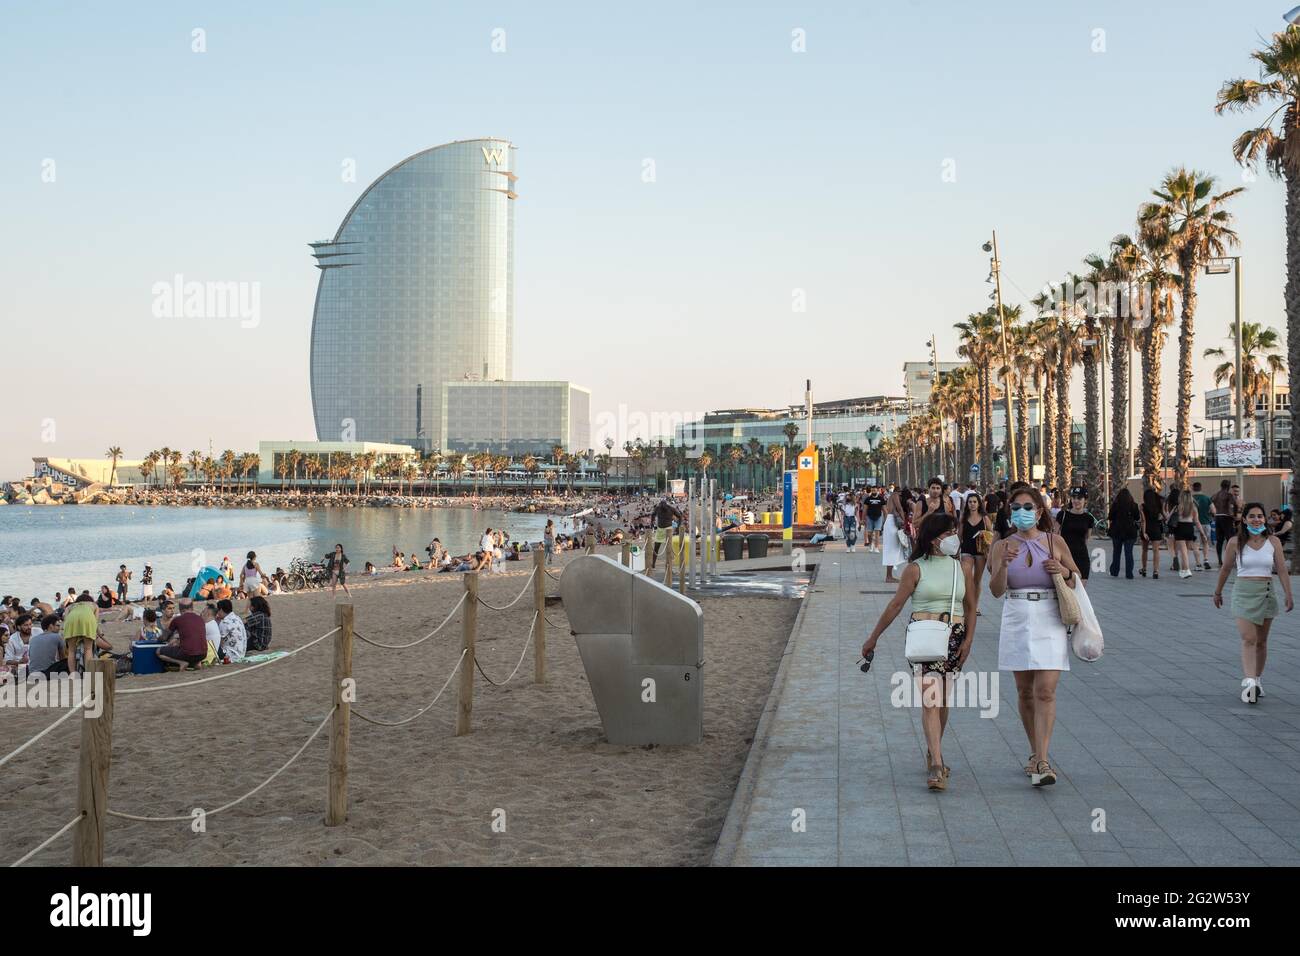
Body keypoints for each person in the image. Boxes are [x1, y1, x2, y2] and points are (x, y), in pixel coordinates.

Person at [861, 512, 976, 791]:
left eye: (955, 532)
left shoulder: (962, 566)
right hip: (924, 635)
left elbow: (971, 606)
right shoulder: (915, 568)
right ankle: (937, 764)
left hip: (954, 636)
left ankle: (932, 749)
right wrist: (873, 638)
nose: (954, 538)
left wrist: (969, 641)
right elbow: (896, 606)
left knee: (943, 701)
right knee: (931, 700)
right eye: (949, 532)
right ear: (934, 538)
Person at [988, 485, 1081, 787]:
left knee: (1046, 690)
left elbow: (1077, 577)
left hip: (1049, 616)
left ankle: (1043, 759)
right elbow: (996, 590)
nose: (1021, 512)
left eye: (1028, 507)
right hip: (1016, 615)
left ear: (1040, 511)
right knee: (1025, 691)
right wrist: (1002, 564)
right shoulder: (1001, 545)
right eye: (1016, 507)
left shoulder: (1054, 541)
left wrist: (1064, 572)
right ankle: (1033, 752)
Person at [1213, 502, 1294, 703]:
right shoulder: (1235, 542)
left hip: (1266, 592)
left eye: (1259, 516)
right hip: (1243, 592)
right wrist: (1218, 592)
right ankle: (1249, 682)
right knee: (1249, 638)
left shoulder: (1273, 541)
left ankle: (1257, 679)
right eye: (1252, 516)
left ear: (1265, 519)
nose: (1256, 519)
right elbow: (1225, 569)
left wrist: (1288, 594)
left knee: (1261, 641)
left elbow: (1282, 570)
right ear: (1244, 519)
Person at [958, 492, 993, 605]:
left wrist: (985, 533)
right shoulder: (964, 518)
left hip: (980, 551)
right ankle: (966, 602)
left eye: (974, 502)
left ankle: (975, 605)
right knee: (966, 578)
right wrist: (955, 551)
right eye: (970, 502)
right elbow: (959, 536)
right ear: (967, 504)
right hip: (966, 550)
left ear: (979, 504)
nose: (972, 504)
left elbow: (991, 534)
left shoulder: (984, 518)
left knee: (977, 580)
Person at [1057, 487, 1096, 587]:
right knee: (1066, 591)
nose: (1076, 501)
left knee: (1080, 591)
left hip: (1081, 557)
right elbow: (1055, 535)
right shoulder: (1062, 515)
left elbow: (1087, 538)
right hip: (1064, 557)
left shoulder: (1089, 518)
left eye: (1079, 498)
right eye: (1073, 498)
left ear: (1085, 500)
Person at [157, 598, 207, 670]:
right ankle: (196, 663)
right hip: (203, 654)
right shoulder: (200, 619)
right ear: (192, 607)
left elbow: (164, 637)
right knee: (191, 648)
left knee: (158, 651)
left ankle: (181, 662)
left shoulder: (177, 620)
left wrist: (158, 640)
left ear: (180, 609)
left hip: (187, 653)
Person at [1107, 487, 1141, 579]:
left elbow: (1110, 517)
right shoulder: (1134, 505)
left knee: (1116, 552)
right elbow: (1137, 518)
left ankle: (1114, 571)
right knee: (1129, 553)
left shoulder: (1115, 505)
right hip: (1130, 532)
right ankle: (1129, 573)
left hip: (1117, 531)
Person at [62, 594, 101, 674]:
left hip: (71, 620)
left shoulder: (70, 606)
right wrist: (99, 633)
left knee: (71, 650)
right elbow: (95, 621)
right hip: (88, 619)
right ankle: (88, 673)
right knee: (88, 649)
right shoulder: (94, 605)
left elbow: (66, 619)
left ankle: (73, 674)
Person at [881, 487, 908, 583]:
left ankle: (889, 575)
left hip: (891, 521)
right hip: (892, 521)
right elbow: (899, 508)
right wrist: (904, 522)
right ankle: (889, 576)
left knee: (892, 549)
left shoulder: (892, 496)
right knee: (891, 549)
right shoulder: (895, 495)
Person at [1172, 490, 1200, 579]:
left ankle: (1187, 569)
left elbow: (1169, 517)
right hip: (1190, 527)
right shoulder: (1193, 507)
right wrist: (1202, 533)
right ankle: (1183, 569)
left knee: (1183, 551)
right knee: (1186, 550)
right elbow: (1196, 521)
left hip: (1180, 528)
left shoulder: (1178, 507)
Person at [1139, 486, 1165, 579]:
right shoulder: (1158, 506)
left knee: (1144, 550)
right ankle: (1156, 571)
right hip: (1156, 529)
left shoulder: (1142, 506)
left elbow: (1143, 521)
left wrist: (1144, 532)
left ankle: (1144, 569)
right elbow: (1164, 517)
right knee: (1156, 550)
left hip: (1146, 529)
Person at [1211, 479, 1238, 566]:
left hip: (1218, 517)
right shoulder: (1229, 495)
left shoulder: (1215, 495)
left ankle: (1219, 560)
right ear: (1229, 486)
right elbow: (1234, 505)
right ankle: (1229, 559)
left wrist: (1214, 515)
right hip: (1226, 518)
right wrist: (1234, 515)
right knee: (1230, 539)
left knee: (1219, 540)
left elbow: (1211, 505)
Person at [1192, 482, 1214, 571]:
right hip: (1206, 524)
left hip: (1194, 525)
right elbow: (1213, 510)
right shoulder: (1207, 498)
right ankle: (1206, 560)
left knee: (1196, 545)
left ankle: (1198, 564)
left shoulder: (1191, 499)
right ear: (1201, 488)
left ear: (1193, 488)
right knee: (1205, 543)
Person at [864, 486, 885, 552]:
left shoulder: (881, 499)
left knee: (877, 532)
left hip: (878, 517)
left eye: (875, 490)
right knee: (869, 533)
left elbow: (884, 509)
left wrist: (887, 518)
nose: (873, 492)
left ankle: (876, 547)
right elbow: (865, 509)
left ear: (877, 491)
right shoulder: (868, 499)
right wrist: (862, 519)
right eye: (872, 490)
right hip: (869, 517)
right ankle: (871, 544)